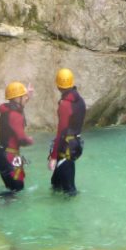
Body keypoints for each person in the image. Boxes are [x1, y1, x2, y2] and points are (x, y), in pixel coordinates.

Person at [48, 67, 86, 195]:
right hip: (74, 145)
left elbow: (61, 132)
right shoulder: (80, 100)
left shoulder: (65, 105)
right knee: (56, 184)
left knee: (69, 191)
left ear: (58, 85)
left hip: (65, 150)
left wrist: (53, 157)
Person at [0, 80, 34, 192]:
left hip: (0, 155)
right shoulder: (16, 116)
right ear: (17, 98)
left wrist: (27, 96)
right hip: (9, 157)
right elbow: (22, 140)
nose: (25, 98)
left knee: (11, 189)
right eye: (23, 96)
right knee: (17, 189)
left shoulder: (7, 110)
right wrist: (30, 140)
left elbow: (19, 108)